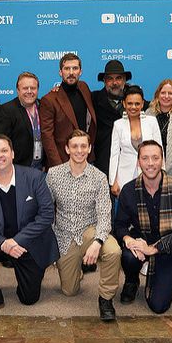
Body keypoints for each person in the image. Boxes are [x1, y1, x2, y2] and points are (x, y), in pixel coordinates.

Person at [0, 135, 59, 316]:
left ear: (12, 154)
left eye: (4, 151)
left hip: (29, 243)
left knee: (28, 299)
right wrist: (3, 243)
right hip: (0, 241)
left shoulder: (35, 177)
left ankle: (25, 270)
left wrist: (16, 242)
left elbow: (47, 215)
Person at [46, 130, 121, 321]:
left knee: (113, 251)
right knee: (69, 291)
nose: (79, 151)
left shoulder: (99, 177)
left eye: (83, 146)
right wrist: (51, 244)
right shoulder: (53, 174)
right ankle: (76, 269)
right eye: (74, 146)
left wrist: (97, 242)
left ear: (89, 149)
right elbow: (46, 210)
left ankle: (106, 299)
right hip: (64, 235)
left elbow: (105, 214)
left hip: (90, 230)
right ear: (67, 149)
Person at [114, 140, 172, 313]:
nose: (150, 163)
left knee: (158, 306)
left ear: (162, 161)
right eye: (145, 158)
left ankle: (171, 274)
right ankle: (132, 280)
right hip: (139, 244)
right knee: (128, 256)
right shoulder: (128, 190)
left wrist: (153, 249)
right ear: (138, 162)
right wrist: (129, 240)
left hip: (168, 247)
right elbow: (119, 225)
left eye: (155, 158)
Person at [40, 53, 97, 168]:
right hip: (63, 161)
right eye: (67, 69)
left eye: (75, 68)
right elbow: (47, 137)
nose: (71, 72)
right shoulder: (49, 100)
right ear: (60, 72)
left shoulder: (84, 88)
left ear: (80, 71)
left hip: (87, 159)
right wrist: (58, 167)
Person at [109, 86, 162, 197]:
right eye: (130, 103)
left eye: (137, 104)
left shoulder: (152, 122)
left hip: (150, 174)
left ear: (142, 104)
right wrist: (113, 181)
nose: (133, 107)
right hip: (124, 177)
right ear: (124, 104)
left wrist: (162, 175)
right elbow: (114, 154)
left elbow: (159, 150)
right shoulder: (118, 124)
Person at [92, 60, 134, 176]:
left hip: (130, 163)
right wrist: (58, 91)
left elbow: (157, 106)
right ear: (104, 81)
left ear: (124, 80)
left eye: (118, 78)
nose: (114, 83)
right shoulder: (93, 99)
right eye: (110, 79)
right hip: (103, 163)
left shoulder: (134, 101)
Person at [0, 72, 44, 169]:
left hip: (41, 168)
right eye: (25, 88)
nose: (29, 91)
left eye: (33, 88)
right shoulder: (7, 110)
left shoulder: (44, 107)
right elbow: (1, 142)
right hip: (18, 169)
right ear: (18, 90)